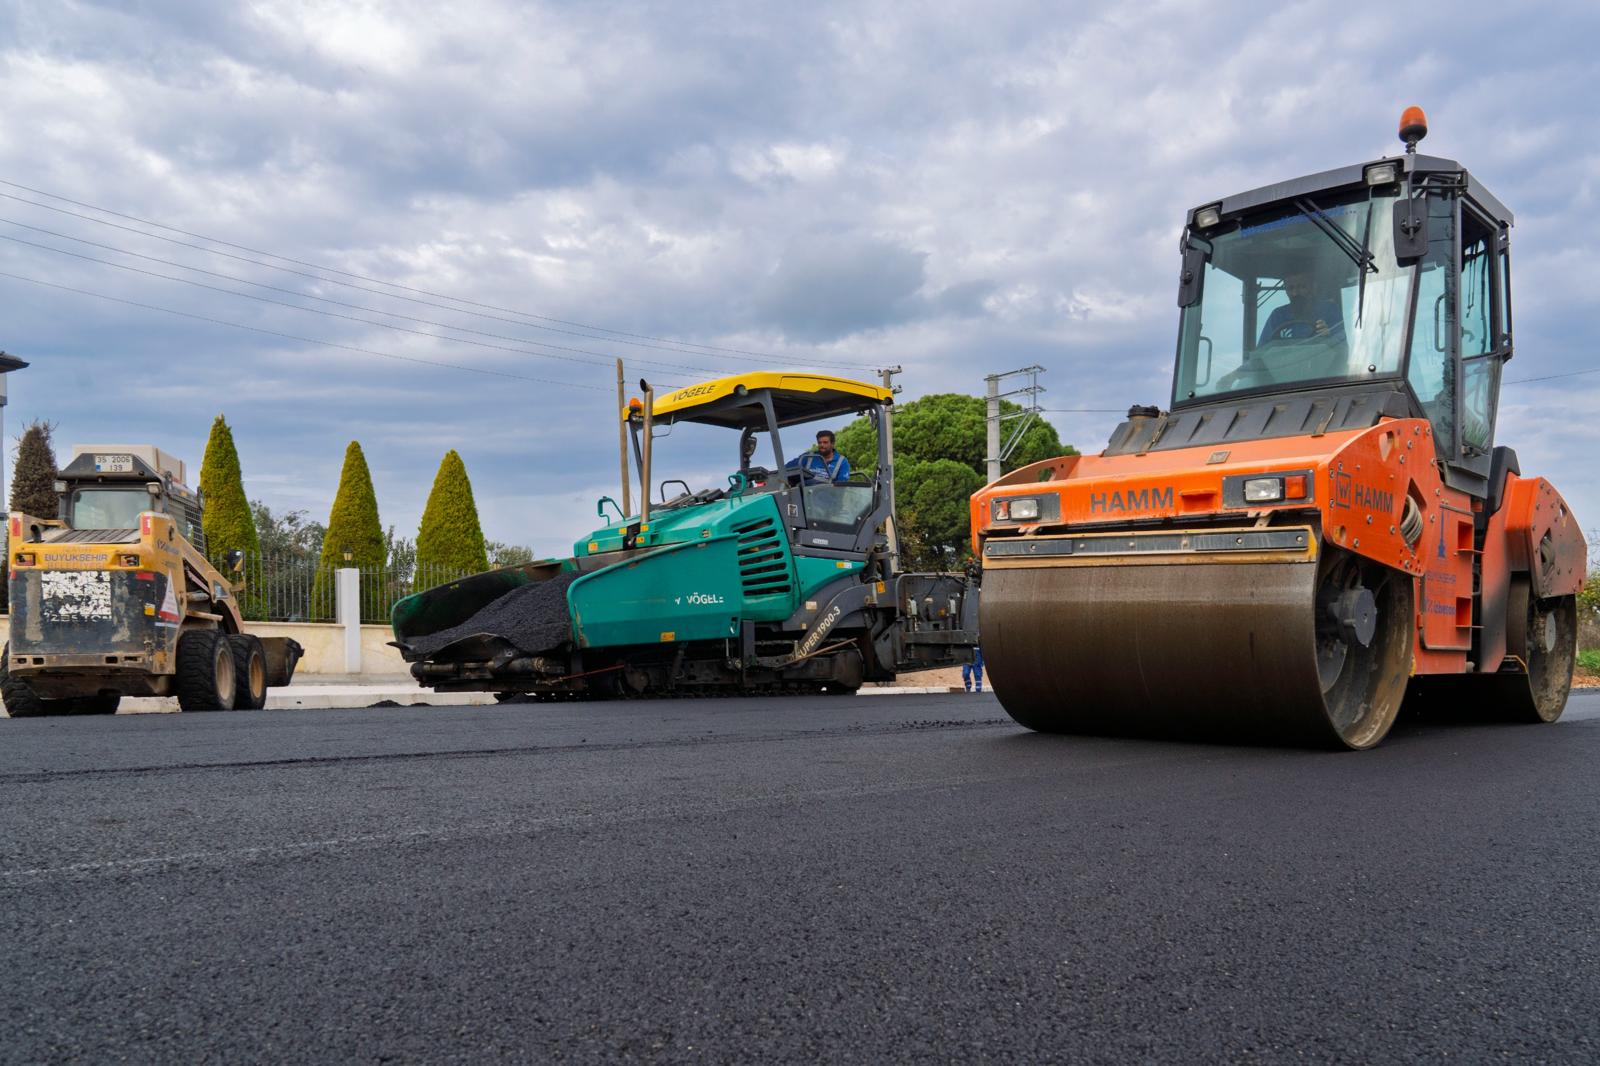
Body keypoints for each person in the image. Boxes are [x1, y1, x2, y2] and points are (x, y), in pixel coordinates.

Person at [1259, 271, 1343, 344]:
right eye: (1290, 288)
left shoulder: (1329, 310)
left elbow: (1342, 349)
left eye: (1302, 287)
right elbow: (1261, 353)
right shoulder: (1278, 316)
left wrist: (1329, 335)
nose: (1295, 293)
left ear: (1313, 287)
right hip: (1286, 362)